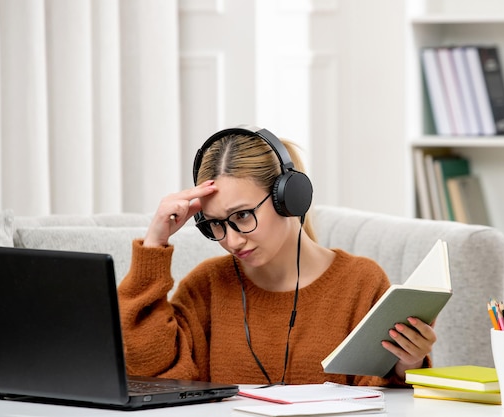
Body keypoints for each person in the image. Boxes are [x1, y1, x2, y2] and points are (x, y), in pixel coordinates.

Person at [118, 126, 436, 387]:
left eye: (242, 215)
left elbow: (383, 402)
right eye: (216, 224)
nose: (231, 240)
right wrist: (154, 242)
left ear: (288, 198)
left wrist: (407, 365)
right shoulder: (208, 285)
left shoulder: (361, 283)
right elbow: (149, 371)